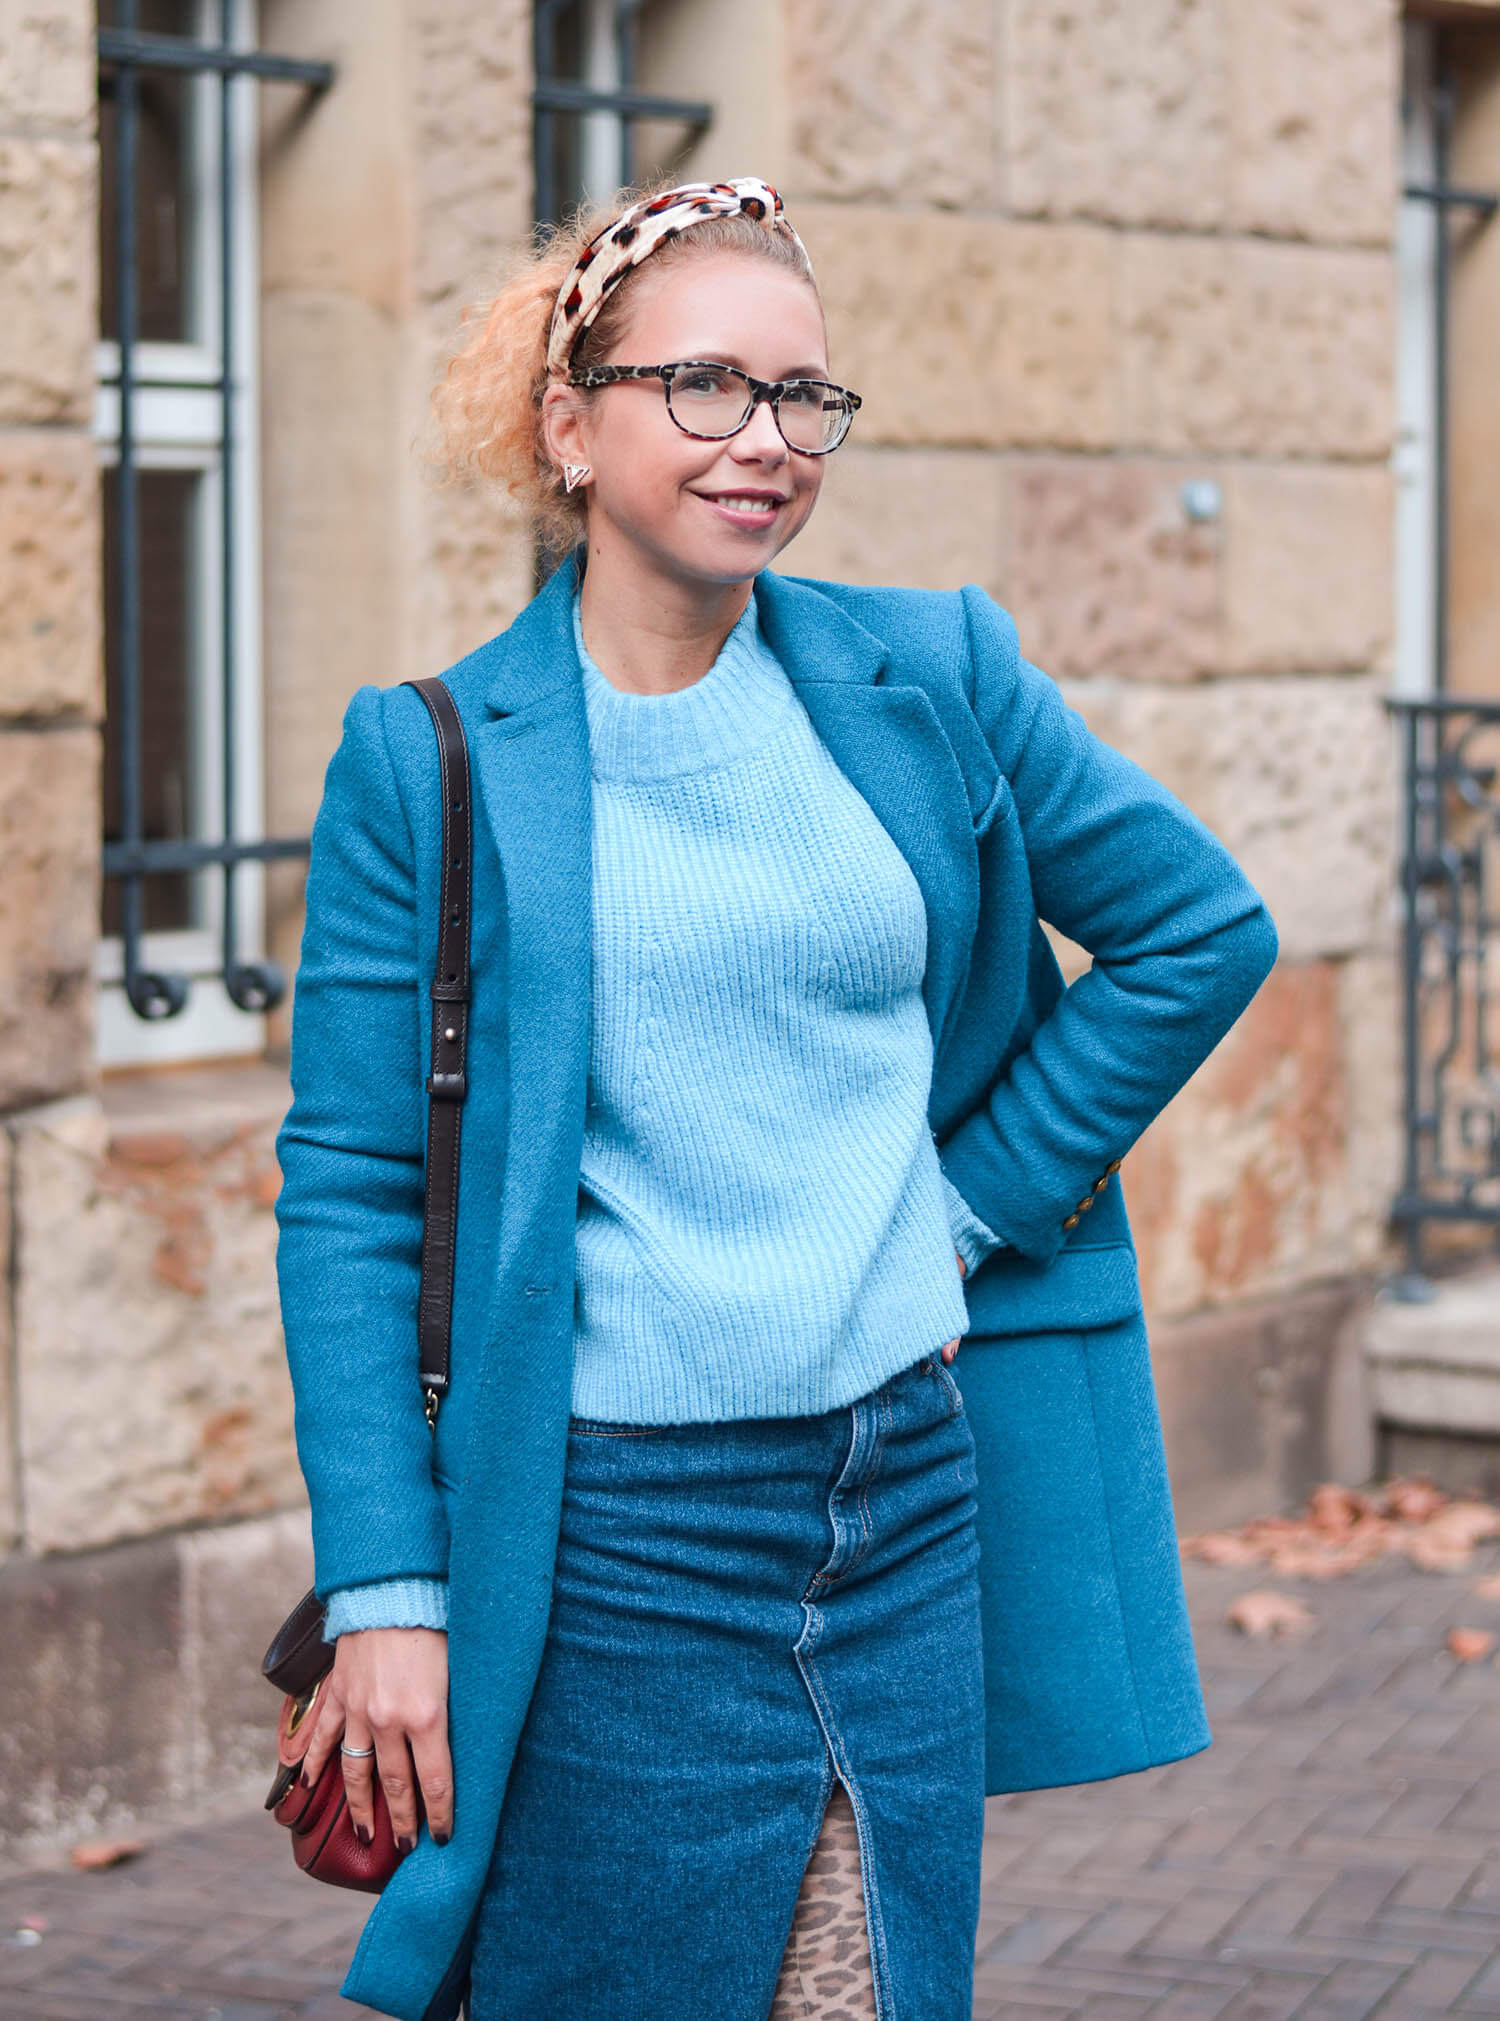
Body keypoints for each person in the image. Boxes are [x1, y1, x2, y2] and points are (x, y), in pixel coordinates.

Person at [274, 176, 1279, 2021]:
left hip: (905, 1495)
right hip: (613, 1534)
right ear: (568, 423)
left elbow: (1198, 932)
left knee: (871, 1989)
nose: (769, 440)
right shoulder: (428, 762)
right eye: (708, 387)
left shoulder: (936, 674)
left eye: (806, 396)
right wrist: (388, 1587)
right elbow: (350, 1186)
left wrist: (971, 1202)